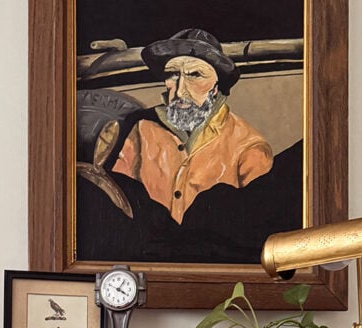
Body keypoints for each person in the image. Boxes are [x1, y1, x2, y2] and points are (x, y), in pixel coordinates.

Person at [111, 28, 274, 225]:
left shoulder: (249, 147)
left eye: (195, 75)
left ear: (216, 87)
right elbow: (117, 199)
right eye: (172, 75)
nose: (180, 91)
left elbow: (256, 221)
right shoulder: (142, 129)